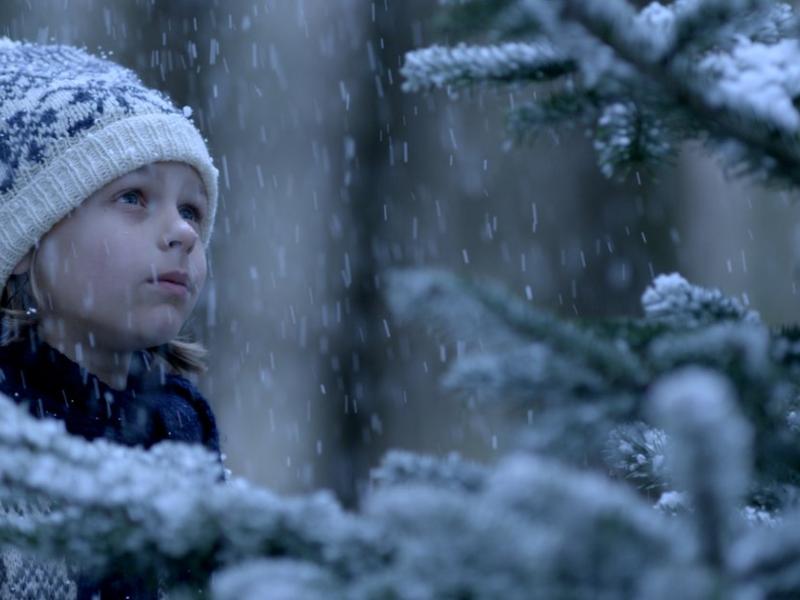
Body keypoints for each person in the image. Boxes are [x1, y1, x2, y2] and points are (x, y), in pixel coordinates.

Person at [0, 37, 222, 599]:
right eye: (133, 198)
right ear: (27, 240)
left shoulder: (183, 434)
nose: (184, 232)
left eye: (191, 208)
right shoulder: (12, 451)